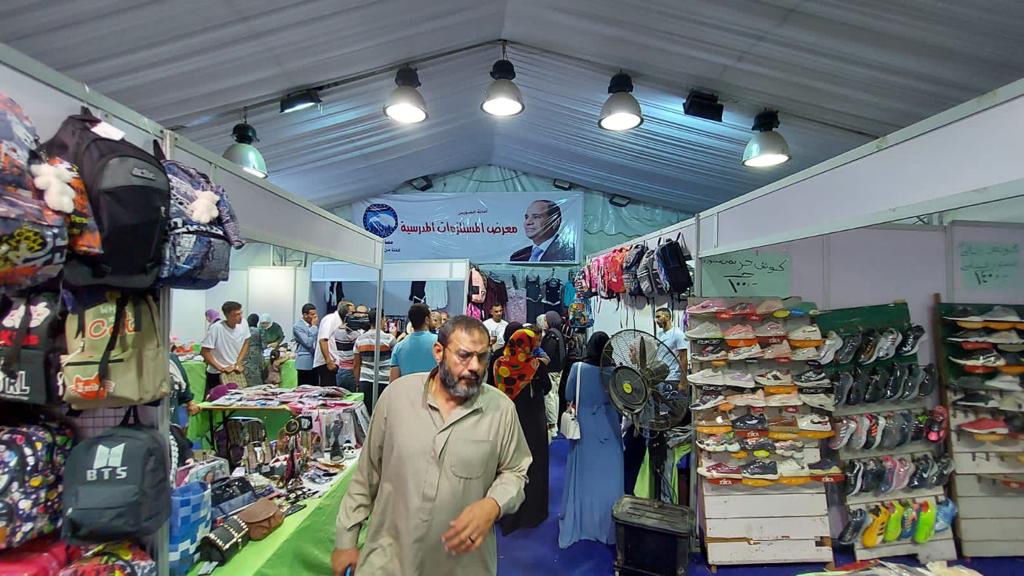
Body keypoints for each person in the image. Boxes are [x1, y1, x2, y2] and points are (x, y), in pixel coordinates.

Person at [333, 316, 532, 576]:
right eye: (464, 355)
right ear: (438, 352)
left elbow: (516, 471)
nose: (475, 367)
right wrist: (346, 540)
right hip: (389, 559)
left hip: (460, 564)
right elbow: (367, 474)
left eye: (482, 357)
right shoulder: (397, 397)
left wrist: (493, 503)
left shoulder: (500, 410)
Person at [559, 331, 623, 548]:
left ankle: (582, 524)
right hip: (609, 427)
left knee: (584, 475)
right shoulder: (613, 372)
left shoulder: (578, 369)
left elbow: (569, 395)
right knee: (609, 476)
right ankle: (607, 525)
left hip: (584, 427)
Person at [488, 322, 550, 534]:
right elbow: (547, 387)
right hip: (533, 420)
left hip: (506, 419)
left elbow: (490, 387)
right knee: (533, 463)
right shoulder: (535, 366)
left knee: (508, 464)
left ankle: (506, 511)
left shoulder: (498, 363)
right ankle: (532, 511)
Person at [352, 308, 397, 414]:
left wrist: (357, 384)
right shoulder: (389, 339)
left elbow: (356, 364)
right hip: (384, 381)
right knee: (382, 414)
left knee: (367, 414)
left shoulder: (360, 339)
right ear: (381, 319)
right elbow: (395, 363)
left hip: (365, 381)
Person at [200, 301, 249, 394]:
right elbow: (205, 351)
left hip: (235, 371)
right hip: (217, 373)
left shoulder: (244, 324)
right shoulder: (216, 328)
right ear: (227, 316)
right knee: (216, 399)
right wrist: (221, 368)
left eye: (240, 313)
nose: (240, 317)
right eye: (236, 315)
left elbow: (246, 342)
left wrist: (239, 362)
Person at [509, 199, 575, 262]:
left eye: (536, 217)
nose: (528, 222)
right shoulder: (517, 257)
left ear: (555, 222)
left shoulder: (568, 253)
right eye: (526, 217)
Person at [390, 303, 438, 381]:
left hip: (407, 388)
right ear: (426, 320)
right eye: (431, 316)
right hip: (432, 387)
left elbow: (393, 383)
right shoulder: (440, 343)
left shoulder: (398, 347)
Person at [540, 311, 566, 442]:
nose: (544, 322)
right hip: (558, 370)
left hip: (551, 370)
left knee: (550, 397)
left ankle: (552, 426)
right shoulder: (558, 334)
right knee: (554, 396)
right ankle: (554, 424)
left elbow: (548, 355)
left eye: (545, 320)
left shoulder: (551, 336)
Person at [314, 303, 350, 387]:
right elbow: (323, 340)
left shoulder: (341, 322)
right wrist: (329, 362)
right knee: (328, 391)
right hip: (327, 363)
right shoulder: (330, 319)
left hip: (335, 361)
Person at [655, 307, 688, 387]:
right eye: (656, 317)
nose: (656, 320)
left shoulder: (678, 334)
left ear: (667, 317)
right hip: (661, 377)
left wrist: (683, 382)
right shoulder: (660, 335)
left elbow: (684, 359)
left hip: (673, 378)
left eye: (658, 317)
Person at [293, 303, 319, 386]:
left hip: (315, 362)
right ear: (305, 315)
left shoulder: (314, 325)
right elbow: (308, 343)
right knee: (305, 388)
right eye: (312, 314)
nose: (315, 316)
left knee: (315, 387)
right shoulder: (297, 327)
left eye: (315, 314)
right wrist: (314, 327)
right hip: (304, 363)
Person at [244, 313, 265, 387]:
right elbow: (264, 344)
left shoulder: (245, 330)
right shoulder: (259, 330)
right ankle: (257, 386)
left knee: (247, 370)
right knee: (257, 371)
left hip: (246, 351)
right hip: (256, 352)